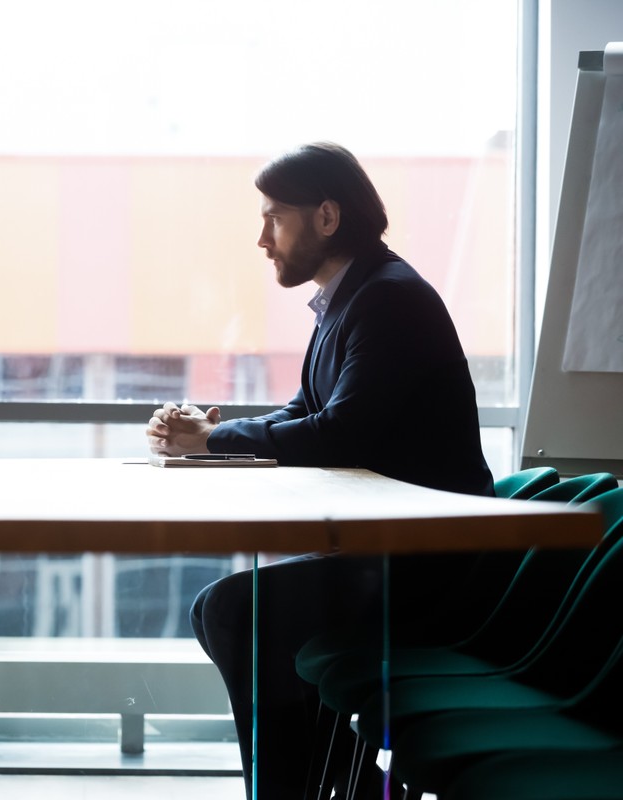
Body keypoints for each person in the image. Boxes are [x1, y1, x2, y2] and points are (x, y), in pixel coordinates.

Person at [146, 142, 494, 799]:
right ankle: (314, 784)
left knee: (233, 611)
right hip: (390, 555)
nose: (262, 239)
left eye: (274, 218)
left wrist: (214, 439)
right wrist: (210, 434)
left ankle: (293, 789)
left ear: (327, 217)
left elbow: (339, 432)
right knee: (230, 611)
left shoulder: (388, 299)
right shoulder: (356, 296)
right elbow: (308, 409)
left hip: (426, 568)